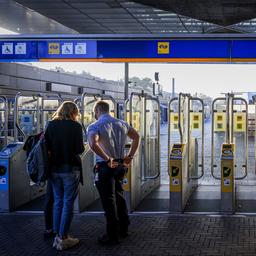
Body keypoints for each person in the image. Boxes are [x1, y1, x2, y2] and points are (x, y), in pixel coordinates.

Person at [87, 100, 140, 245]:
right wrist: (129, 156)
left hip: (106, 166)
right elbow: (136, 137)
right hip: (120, 165)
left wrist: (107, 158)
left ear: (97, 110)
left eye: (94, 112)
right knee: (119, 195)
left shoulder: (95, 126)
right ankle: (124, 228)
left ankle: (112, 235)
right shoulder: (122, 123)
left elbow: (92, 143)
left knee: (108, 201)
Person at [45, 101, 84, 251]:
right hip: (70, 169)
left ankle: (57, 235)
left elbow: (46, 146)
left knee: (58, 201)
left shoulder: (51, 125)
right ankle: (63, 237)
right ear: (74, 112)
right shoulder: (75, 126)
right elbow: (79, 149)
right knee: (68, 203)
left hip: (54, 169)